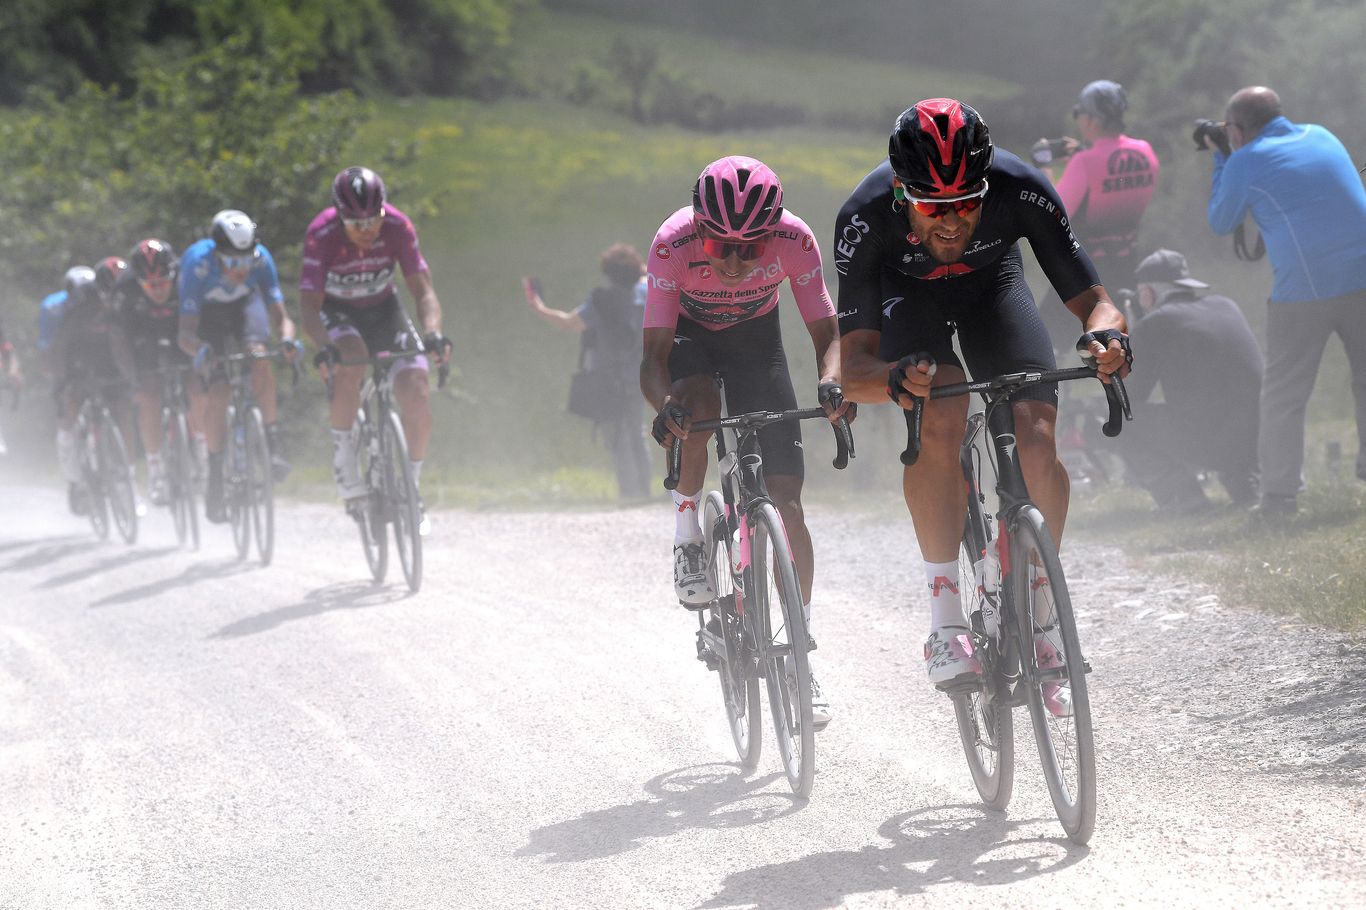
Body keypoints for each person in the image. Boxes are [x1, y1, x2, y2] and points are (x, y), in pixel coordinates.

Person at [833, 98, 1130, 701]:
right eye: (930, 206)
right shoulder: (864, 217)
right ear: (900, 194)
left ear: (986, 185)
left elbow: (1097, 301)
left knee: (1036, 435)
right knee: (941, 406)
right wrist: (894, 381)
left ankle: (1043, 617)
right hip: (906, 300)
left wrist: (1110, 338)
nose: (949, 222)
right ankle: (945, 622)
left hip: (994, 290)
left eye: (966, 203)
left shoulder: (1021, 187)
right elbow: (852, 366)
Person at [642, 155, 852, 728]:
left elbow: (825, 332)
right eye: (719, 248)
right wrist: (666, 408)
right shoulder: (671, 244)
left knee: (788, 506)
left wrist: (832, 382)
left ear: (773, 235)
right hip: (690, 344)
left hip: (759, 346)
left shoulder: (796, 239)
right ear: (699, 233)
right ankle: (688, 530)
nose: (734, 262)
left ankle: (799, 658)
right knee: (699, 407)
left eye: (750, 249)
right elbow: (653, 360)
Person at [1205, 86, 1366, 515]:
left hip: (1305, 290)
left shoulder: (1244, 160)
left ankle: (1279, 497)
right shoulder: (1322, 134)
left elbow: (1222, 220)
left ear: (1237, 129)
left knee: (1283, 395)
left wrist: (1221, 157)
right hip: (1363, 274)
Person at [299, 166, 450, 534]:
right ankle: (344, 458)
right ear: (339, 216)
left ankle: (411, 490)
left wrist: (433, 334)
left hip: (385, 309)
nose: (366, 231)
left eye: (373, 222)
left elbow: (423, 289)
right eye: (355, 225)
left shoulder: (398, 226)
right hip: (338, 311)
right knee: (349, 359)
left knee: (416, 392)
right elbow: (308, 306)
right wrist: (324, 348)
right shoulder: (322, 234)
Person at [1109, 249, 1263, 511]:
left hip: (1212, 440)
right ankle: (1246, 485)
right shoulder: (1226, 304)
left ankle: (1184, 498)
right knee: (1223, 408)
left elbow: (1129, 397)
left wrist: (1133, 337)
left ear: (1147, 293)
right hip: (1261, 435)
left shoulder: (1156, 323)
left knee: (1116, 422)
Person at [179, 209, 300, 524]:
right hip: (207, 318)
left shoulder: (261, 260)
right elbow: (185, 333)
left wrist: (287, 340)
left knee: (259, 357)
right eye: (233, 262)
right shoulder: (197, 264)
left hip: (245, 308)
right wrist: (201, 350)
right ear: (217, 254)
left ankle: (272, 445)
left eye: (246, 261)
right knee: (219, 389)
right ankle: (216, 474)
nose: (241, 270)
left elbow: (281, 316)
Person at [1035, 80, 1159, 351]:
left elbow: (1053, 211)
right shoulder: (1145, 152)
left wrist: (1043, 166)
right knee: (1119, 348)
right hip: (1128, 265)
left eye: (1080, 115)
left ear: (1091, 119)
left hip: (1086, 274)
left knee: (1046, 346)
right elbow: (1112, 180)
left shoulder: (1085, 163)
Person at [523, 244, 652, 500]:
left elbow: (569, 322)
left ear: (608, 274)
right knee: (637, 433)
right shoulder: (649, 293)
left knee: (615, 436)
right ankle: (644, 492)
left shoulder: (601, 301)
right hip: (640, 376)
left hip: (606, 378)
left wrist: (538, 307)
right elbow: (647, 276)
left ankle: (629, 492)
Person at [114, 238, 198, 505]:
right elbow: (119, 339)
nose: (158, 290)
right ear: (138, 282)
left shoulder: (189, 277)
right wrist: (132, 376)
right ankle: (155, 469)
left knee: (198, 383)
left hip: (181, 334)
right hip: (143, 340)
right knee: (148, 396)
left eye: (163, 282)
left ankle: (204, 452)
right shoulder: (125, 289)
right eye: (150, 285)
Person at [51, 265, 136, 514]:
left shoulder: (125, 304)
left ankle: (126, 481)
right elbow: (61, 346)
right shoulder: (78, 308)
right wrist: (61, 383)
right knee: (71, 406)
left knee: (122, 411)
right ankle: (77, 481)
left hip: (110, 363)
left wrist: (132, 376)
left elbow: (127, 344)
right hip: (77, 363)